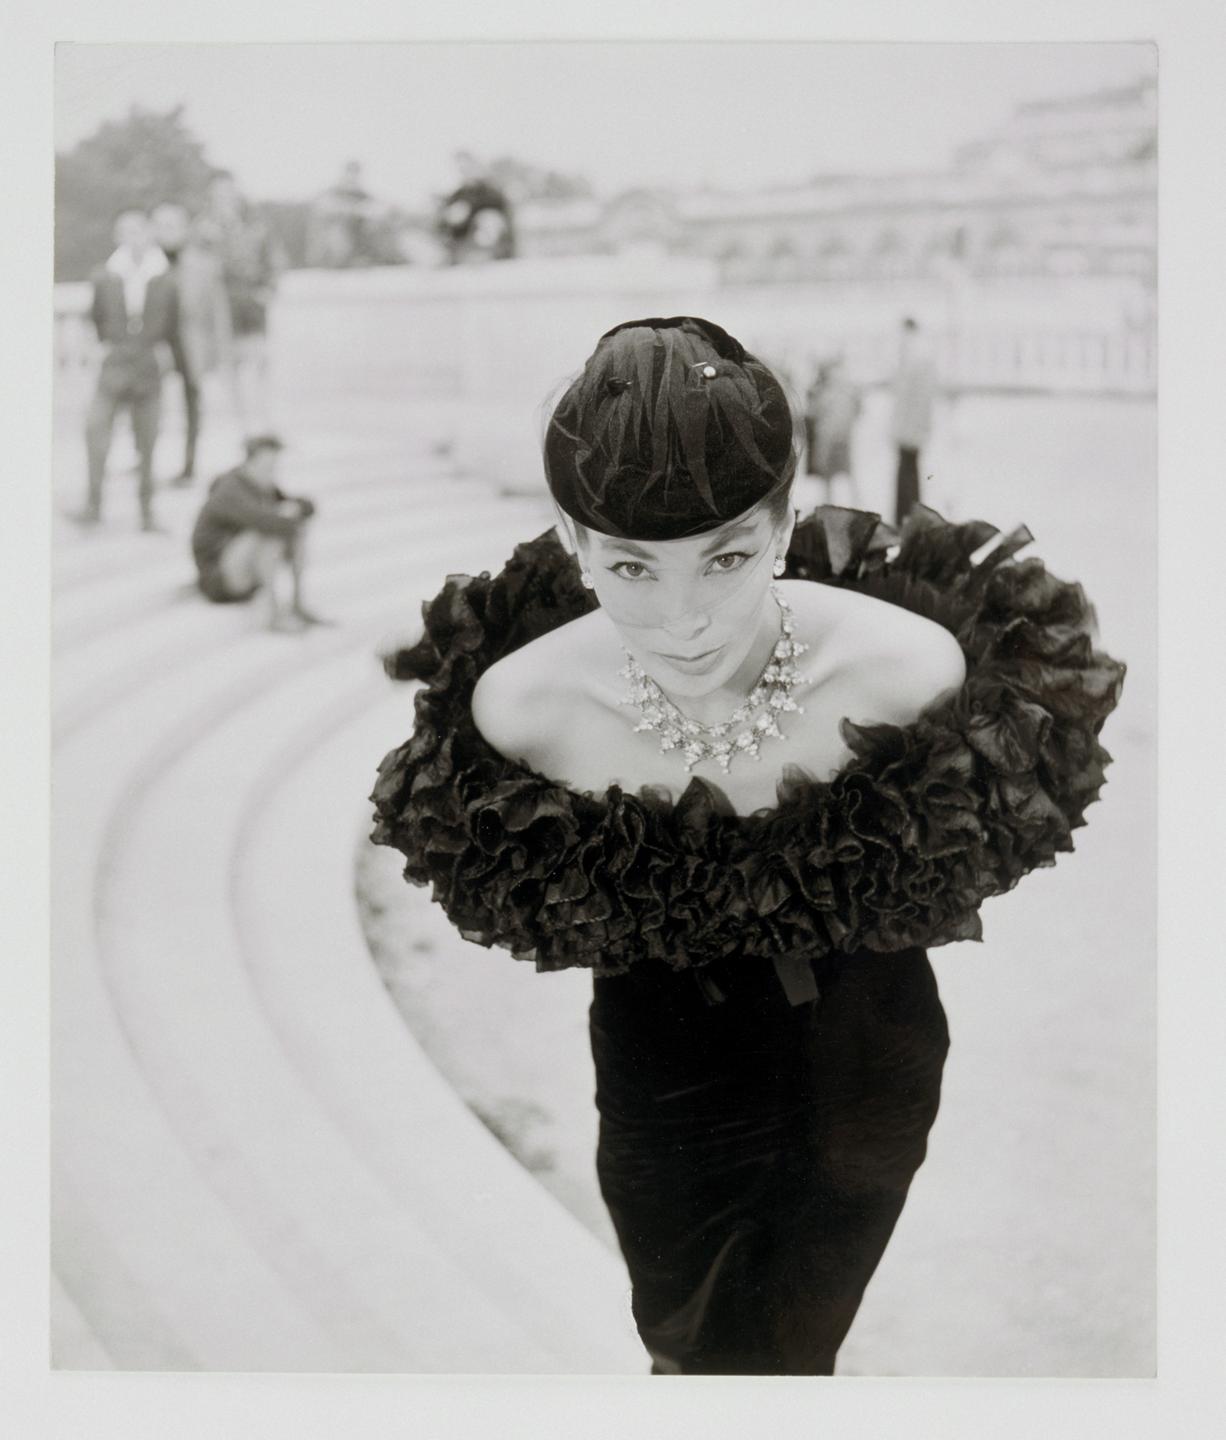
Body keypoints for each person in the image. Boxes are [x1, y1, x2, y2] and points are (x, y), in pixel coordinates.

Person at [370, 316, 1125, 1375]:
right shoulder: (520, 713)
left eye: (725, 557)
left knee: (789, 1357)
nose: (684, 622)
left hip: (870, 1057)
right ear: (575, 543)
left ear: (781, 520)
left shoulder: (907, 673)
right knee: (680, 1345)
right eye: (631, 569)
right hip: (657, 1066)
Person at [78, 208, 179, 531]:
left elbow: (173, 326)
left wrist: (164, 356)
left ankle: (147, 511)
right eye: (126, 231)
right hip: (114, 366)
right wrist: (104, 347)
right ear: (118, 237)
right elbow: (95, 318)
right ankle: (93, 505)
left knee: (148, 440)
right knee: (96, 431)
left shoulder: (164, 277)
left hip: (148, 367)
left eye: (139, 231)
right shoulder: (105, 275)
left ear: (149, 235)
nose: (133, 238)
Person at [190, 434, 326, 632]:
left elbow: (302, 507)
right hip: (219, 580)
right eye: (268, 463)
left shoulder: (262, 484)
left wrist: (299, 508)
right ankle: (272, 616)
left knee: (292, 526)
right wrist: (291, 513)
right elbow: (266, 522)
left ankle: (298, 604)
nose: (273, 469)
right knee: (270, 532)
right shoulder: (230, 488)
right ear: (252, 459)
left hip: (241, 571)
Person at [151, 201, 233, 485]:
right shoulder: (146, 263)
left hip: (190, 347)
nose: (165, 232)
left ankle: (189, 465)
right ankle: (145, 461)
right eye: (159, 226)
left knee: (192, 406)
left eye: (171, 226)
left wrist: (221, 359)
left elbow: (218, 314)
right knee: (149, 405)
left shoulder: (204, 264)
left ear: (185, 229)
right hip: (155, 346)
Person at [200, 171, 282, 430]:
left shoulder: (256, 226)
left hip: (252, 308)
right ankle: (240, 425)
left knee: (259, 365)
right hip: (220, 310)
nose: (225, 198)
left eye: (229, 192)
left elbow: (274, 262)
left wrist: (267, 289)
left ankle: (264, 422)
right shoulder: (203, 229)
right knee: (229, 369)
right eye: (219, 193)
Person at [891, 316, 938, 525]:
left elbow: (910, 399)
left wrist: (902, 427)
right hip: (913, 427)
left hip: (909, 428)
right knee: (910, 471)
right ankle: (909, 514)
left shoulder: (914, 357)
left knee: (907, 472)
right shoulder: (920, 355)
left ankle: (905, 515)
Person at [802, 356, 861, 509]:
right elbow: (856, 411)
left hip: (828, 439)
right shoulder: (846, 389)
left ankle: (830, 505)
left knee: (830, 476)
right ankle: (855, 503)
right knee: (846, 474)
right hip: (840, 437)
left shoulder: (824, 391)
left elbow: (812, 412)